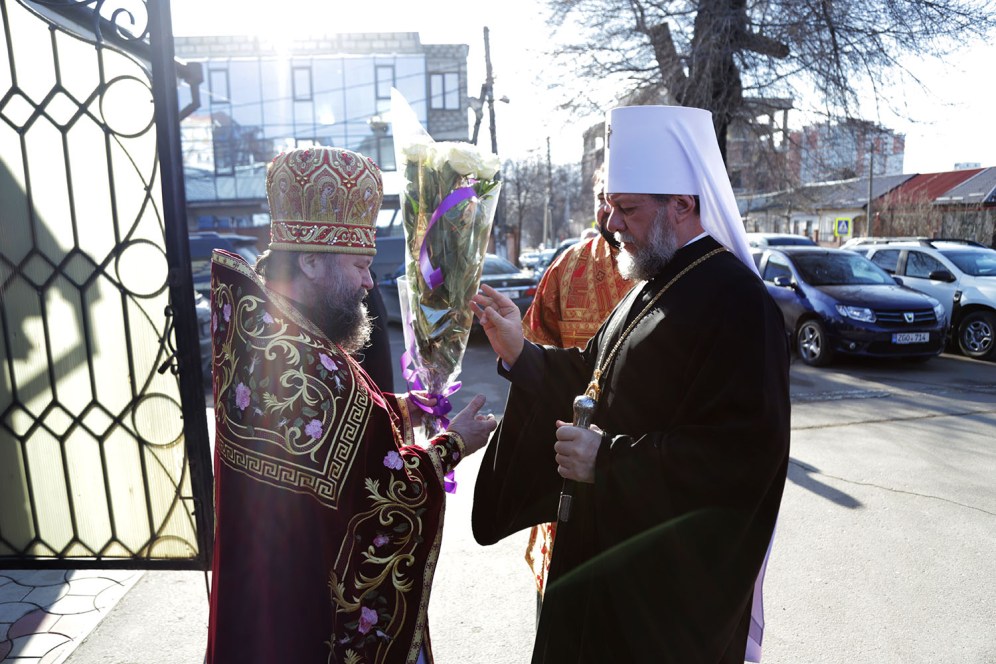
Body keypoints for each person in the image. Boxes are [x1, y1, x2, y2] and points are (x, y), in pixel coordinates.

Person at [471, 105, 790, 663]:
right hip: (602, 561)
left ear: (682, 204)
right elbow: (593, 376)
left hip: (658, 599)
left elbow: (740, 456)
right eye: (611, 206)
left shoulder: (738, 301)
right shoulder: (652, 281)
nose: (611, 223)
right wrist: (520, 352)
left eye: (628, 209)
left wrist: (608, 461)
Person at [206, 146, 497, 664]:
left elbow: (325, 435)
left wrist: (400, 409)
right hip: (307, 616)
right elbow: (379, 499)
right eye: (360, 265)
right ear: (311, 261)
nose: (368, 280)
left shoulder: (268, 334)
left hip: (267, 601)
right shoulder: (312, 361)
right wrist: (453, 445)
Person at [519, 167, 635, 612]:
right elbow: (536, 360)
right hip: (566, 474)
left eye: (622, 202)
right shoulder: (569, 268)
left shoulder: (670, 268)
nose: (610, 212)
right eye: (603, 198)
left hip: (638, 476)